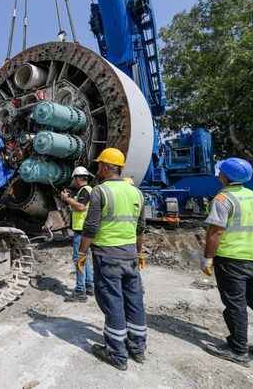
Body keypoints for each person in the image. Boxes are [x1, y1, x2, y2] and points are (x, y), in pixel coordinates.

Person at [201, 157, 253, 367]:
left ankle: (238, 349)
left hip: (232, 260)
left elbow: (215, 232)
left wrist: (208, 258)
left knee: (235, 304)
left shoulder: (223, 199)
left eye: (221, 172)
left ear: (226, 176)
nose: (218, 175)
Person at [77, 148, 147, 371]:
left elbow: (91, 227)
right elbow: (141, 227)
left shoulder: (100, 191)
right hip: (130, 255)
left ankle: (117, 353)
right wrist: (139, 252)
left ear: (107, 167)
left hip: (107, 256)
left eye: (99, 165)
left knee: (113, 301)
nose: (97, 169)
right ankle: (137, 349)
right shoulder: (136, 192)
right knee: (134, 301)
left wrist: (81, 253)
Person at [60, 166, 94, 301]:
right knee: (85, 259)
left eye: (74, 178)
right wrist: (71, 199)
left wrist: (66, 199)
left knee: (79, 259)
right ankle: (89, 285)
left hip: (81, 231)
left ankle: (80, 291)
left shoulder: (85, 190)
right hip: (86, 231)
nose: (72, 181)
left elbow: (81, 207)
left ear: (78, 178)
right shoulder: (85, 190)